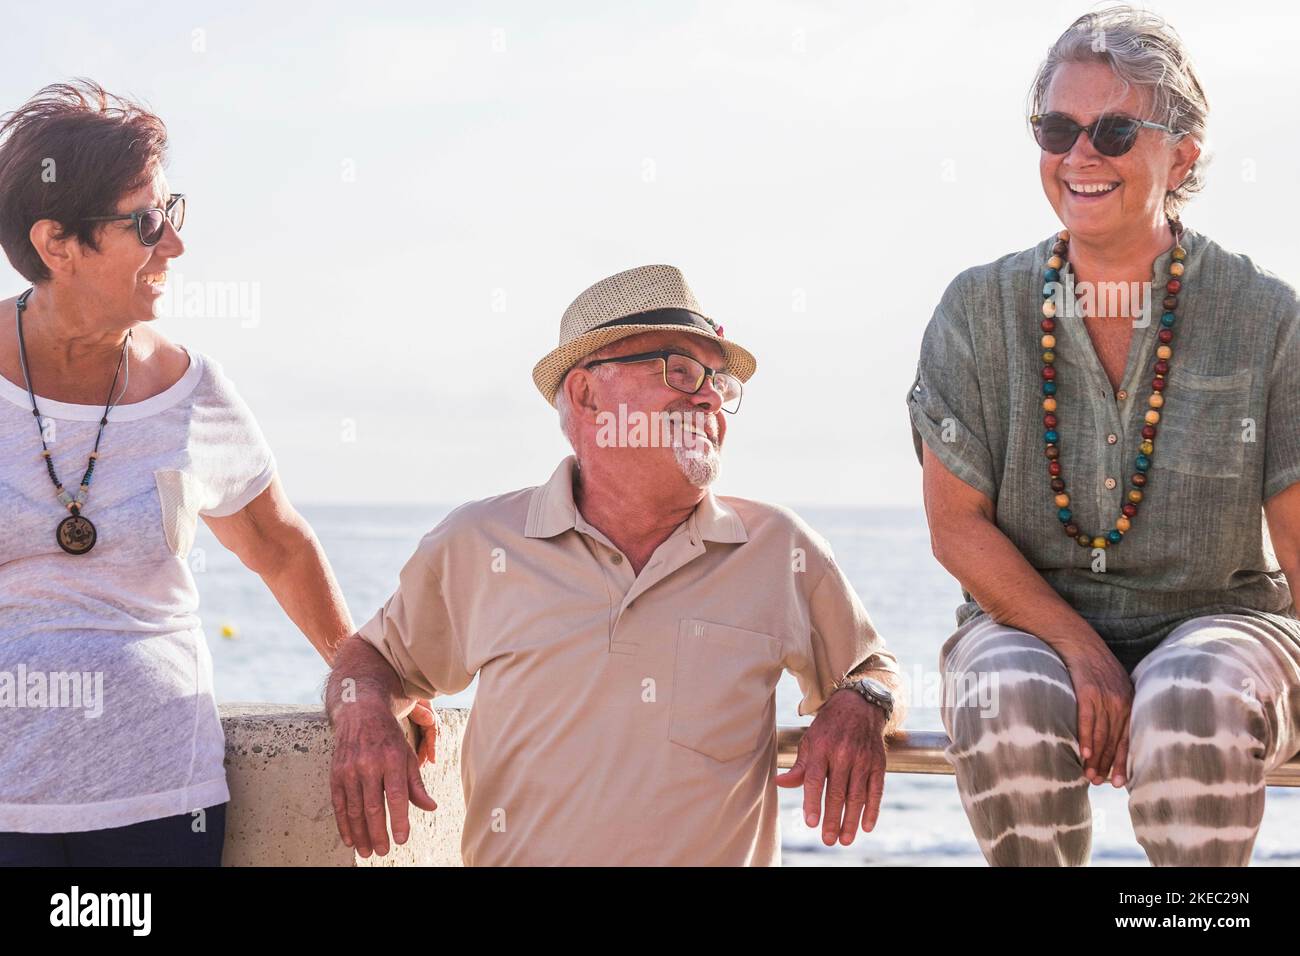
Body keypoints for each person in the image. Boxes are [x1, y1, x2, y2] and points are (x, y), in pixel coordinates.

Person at [326, 263, 906, 865]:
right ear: (586, 393)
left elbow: (875, 667)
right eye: (679, 371)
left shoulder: (777, 547)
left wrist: (862, 700)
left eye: (718, 381)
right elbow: (373, 659)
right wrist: (364, 714)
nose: (709, 396)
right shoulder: (479, 543)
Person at [907, 6, 1300, 866]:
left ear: (1183, 153)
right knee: (1002, 692)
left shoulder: (1267, 316)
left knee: (1193, 696)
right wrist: (1084, 654)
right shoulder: (978, 309)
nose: (1079, 155)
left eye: (1115, 130)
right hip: (1028, 624)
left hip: (1223, 623)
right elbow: (956, 525)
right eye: (1056, 128)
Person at [0, 81, 373, 866]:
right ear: (57, 243)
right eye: (145, 222)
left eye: (173, 214)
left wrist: (361, 680)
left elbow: (276, 542)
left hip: (163, 804)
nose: (174, 245)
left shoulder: (190, 390)